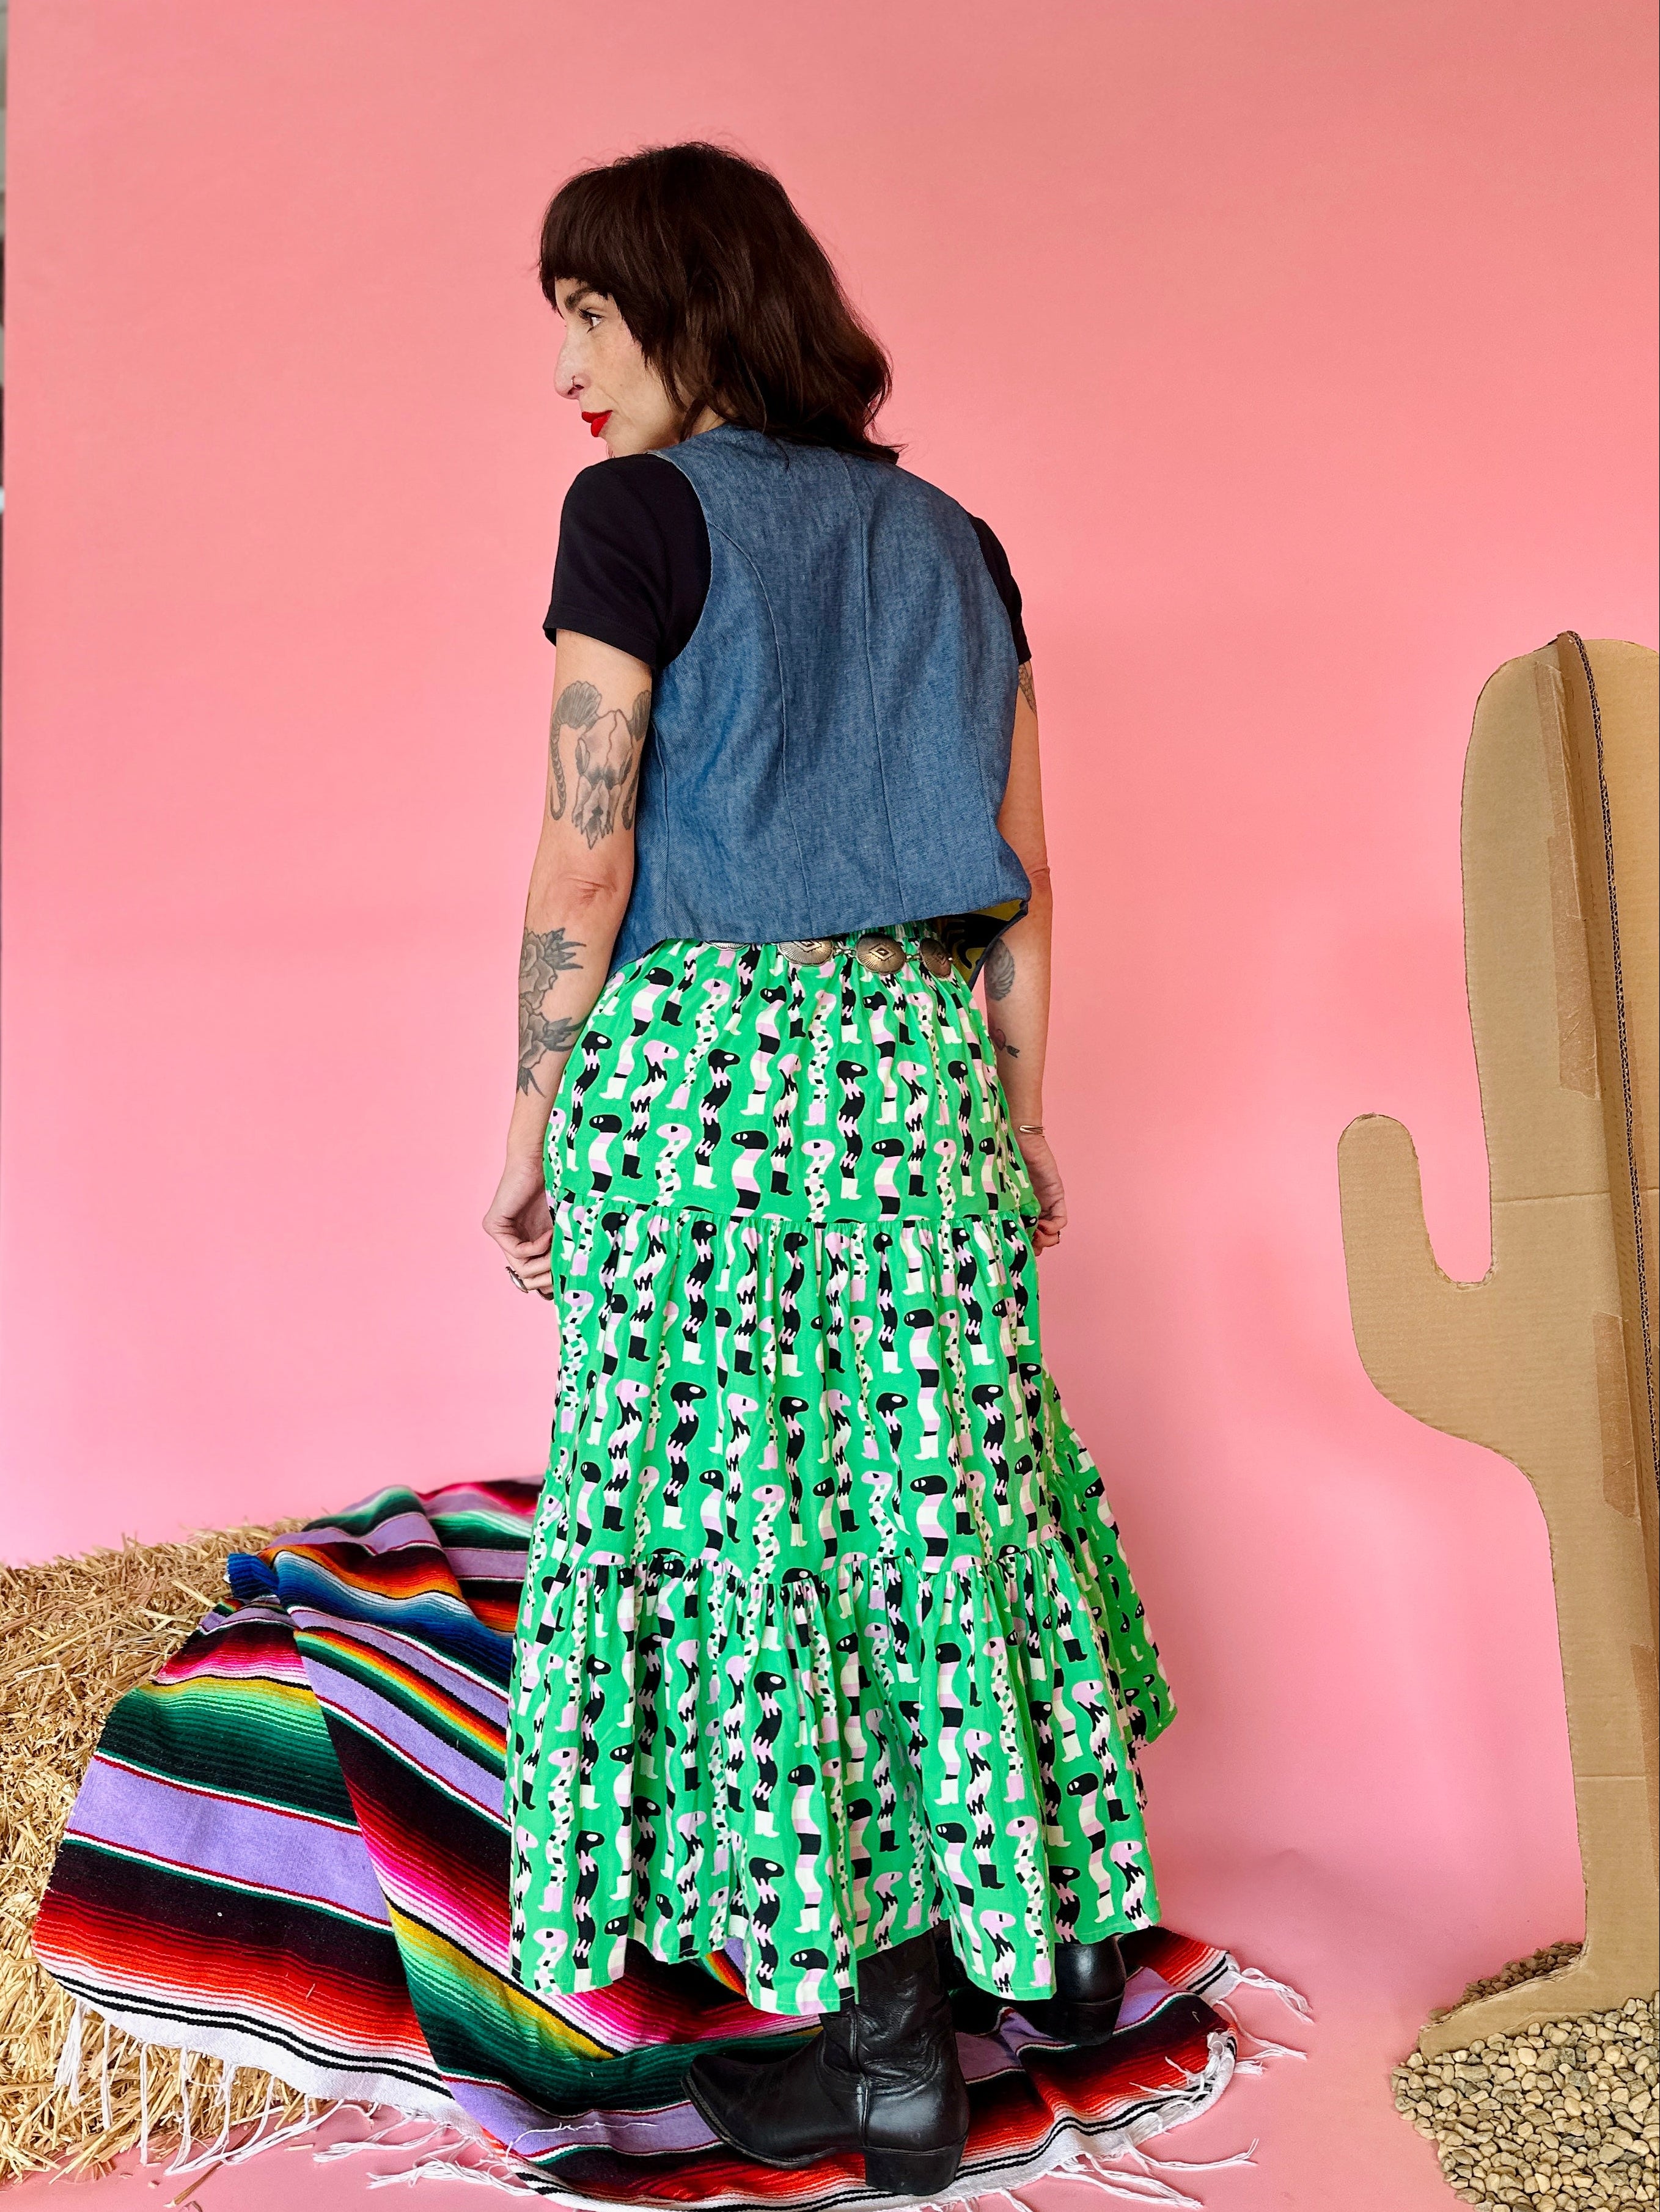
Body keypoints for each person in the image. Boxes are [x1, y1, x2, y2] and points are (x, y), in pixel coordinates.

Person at [482, 141, 1173, 2197]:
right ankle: (1000, 1969)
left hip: (706, 1084)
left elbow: (586, 846)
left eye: (587, 320)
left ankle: (881, 2057)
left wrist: (524, 1124)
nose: (568, 376)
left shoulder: (635, 518)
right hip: (919, 1071)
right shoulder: (957, 539)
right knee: (927, 1509)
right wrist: (1022, 1121)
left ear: (685, 304)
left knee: (747, 1519)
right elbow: (1021, 882)